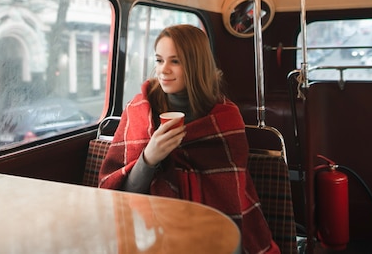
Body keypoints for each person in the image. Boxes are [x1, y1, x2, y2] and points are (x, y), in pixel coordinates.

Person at [99, 24, 280, 254]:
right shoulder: (139, 109)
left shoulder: (224, 117)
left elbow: (231, 195)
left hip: (210, 228)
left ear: (195, 65)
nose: (163, 70)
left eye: (175, 61)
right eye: (159, 60)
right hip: (149, 226)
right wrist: (149, 159)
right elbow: (120, 196)